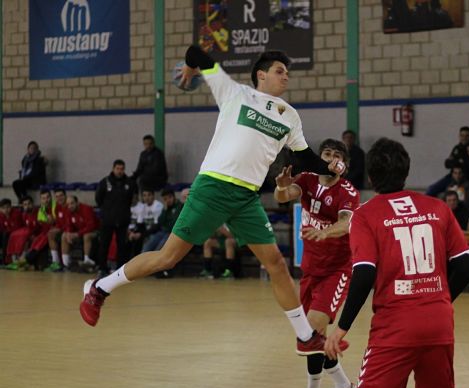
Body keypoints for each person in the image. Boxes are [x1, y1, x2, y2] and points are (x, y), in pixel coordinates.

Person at [79, 44, 345, 357]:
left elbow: (305, 158)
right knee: (168, 258)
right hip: (214, 187)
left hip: (246, 196)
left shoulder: (290, 116)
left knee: (276, 264)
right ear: (261, 75)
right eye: (279, 71)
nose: (286, 77)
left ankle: (304, 336)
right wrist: (192, 69)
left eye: (287, 72)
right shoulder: (235, 93)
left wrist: (329, 167)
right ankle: (99, 288)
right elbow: (195, 51)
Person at [285, 138, 469, 388]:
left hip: (396, 327)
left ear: (370, 175)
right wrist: (440, 300)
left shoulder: (367, 215)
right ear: (406, 170)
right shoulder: (438, 208)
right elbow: (465, 267)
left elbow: (365, 273)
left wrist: (341, 326)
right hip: (439, 322)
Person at [274, 139, 359, 388]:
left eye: (337, 155)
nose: (331, 159)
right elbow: (284, 196)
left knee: (310, 332)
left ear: (344, 164)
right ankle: (345, 386)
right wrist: (282, 186)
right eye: (327, 154)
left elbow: (346, 223)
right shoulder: (308, 179)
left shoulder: (347, 191)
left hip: (337, 271)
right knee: (315, 338)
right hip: (310, 270)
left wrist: (328, 232)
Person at [94, 160, 138, 276]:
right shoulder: (105, 182)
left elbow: (132, 199)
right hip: (107, 219)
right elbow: (98, 199)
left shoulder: (130, 183)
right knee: (104, 244)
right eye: (118, 168)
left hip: (123, 219)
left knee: (122, 245)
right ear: (113, 168)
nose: (120, 171)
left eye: (122, 169)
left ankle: (120, 270)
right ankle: (102, 268)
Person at [60, 195, 99, 271]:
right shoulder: (69, 211)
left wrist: (77, 234)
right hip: (80, 233)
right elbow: (68, 225)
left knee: (86, 236)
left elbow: (91, 226)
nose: (70, 206)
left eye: (72, 203)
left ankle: (86, 260)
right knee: (64, 236)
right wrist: (69, 233)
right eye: (68, 204)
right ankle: (66, 264)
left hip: (95, 232)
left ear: (77, 203)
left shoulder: (87, 209)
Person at [142, 188, 183, 253]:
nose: (168, 200)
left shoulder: (180, 206)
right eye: (165, 199)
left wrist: (166, 224)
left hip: (172, 233)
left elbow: (174, 224)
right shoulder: (166, 208)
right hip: (162, 232)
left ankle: (154, 263)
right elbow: (160, 221)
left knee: (158, 249)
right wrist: (165, 210)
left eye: (169, 197)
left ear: (173, 196)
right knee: (146, 247)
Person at [128, 189, 164, 257]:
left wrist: (141, 234)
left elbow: (156, 226)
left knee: (145, 250)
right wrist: (133, 233)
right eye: (144, 195)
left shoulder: (158, 205)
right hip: (147, 232)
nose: (147, 198)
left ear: (153, 196)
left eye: (149, 195)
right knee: (132, 239)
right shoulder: (143, 206)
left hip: (157, 232)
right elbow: (140, 224)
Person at [45, 189, 70, 271]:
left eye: (61, 195)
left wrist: (60, 229)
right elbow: (59, 223)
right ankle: (56, 262)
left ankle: (66, 265)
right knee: (50, 233)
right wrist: (55, 227)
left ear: (65, 196)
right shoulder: (57, 208)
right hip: (63, 230)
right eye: (57, 196)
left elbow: (70, 224)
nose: (59, 198)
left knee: (64, 236)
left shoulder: (69, 206)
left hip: (72, 230)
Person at [0, 198, 22, 263]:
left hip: (16, 234)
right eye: (3, 208)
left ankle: (5, 260)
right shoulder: (0, 215)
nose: (6, 210)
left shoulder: (16, 214)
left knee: (5, 235)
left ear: (11, 207)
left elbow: (16, 228)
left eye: (7, 207)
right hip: (5, 234)